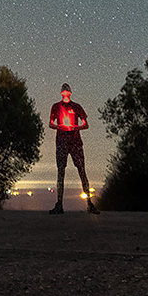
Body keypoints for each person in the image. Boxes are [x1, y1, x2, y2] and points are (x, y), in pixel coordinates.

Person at [48, 83, 99, 214]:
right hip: (61, 142)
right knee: (60, 172)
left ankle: (89, 203)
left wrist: (77, 127)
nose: (65, 91)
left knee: (82, 170)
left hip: (75, 142)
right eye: (63, 90)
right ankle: (59, 204)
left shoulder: (77, 107)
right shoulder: (56, 107)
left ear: (70, 92)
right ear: (61, 93)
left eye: (67, 90)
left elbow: (86, 124)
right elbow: (50, 123)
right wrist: (58, 126)